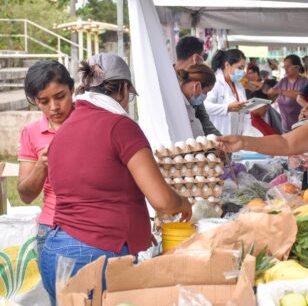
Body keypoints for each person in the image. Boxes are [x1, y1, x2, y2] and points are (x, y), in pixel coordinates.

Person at [39, 54, 192, 305]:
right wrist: (182, 202)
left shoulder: (64, 129)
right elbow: (163, 201)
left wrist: (135, 230)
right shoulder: (121, 127)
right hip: (93, 258)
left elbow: (94, 191)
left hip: (55, 251)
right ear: (122, 89)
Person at [17, 61, 74, 260]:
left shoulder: (91, 123)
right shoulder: (31, 133)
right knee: (58, 291)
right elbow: (25, 195)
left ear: (72, 89)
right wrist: (42, 164)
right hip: (51, 227)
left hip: (93, 226)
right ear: (35, 101)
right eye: (44, 101)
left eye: (60, 97)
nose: (54, 107)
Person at [174, 35, 221, 136]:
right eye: (203, 57)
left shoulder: (195, 88)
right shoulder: (167, 85)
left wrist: (221, 142)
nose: (203, 63)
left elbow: (204, 121)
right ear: (196, 58)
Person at [204, 49, 249, 135]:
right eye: (240, 68)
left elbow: (246, 114)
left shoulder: (239, 86)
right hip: (219, 134)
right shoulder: (215, 83)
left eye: (244, 68)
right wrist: (227, 108)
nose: (243, 72)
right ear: (227, 65)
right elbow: (205, 106)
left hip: (238, 136)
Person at [267, 55, 308, 132]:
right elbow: (271, 95)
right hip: (285, 126)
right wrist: (269, 92)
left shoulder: (304, 82)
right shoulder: (283, 81)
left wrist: (280, 91)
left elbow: (299, 95)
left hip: (301, 126)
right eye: (284, 67)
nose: (285, 69)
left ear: (297, 67)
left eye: (288, 66)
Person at [179, 64, 217, 137]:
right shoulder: (178, 104)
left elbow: (206, 125)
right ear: (197, 86)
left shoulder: (190, 105)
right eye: (206, 91)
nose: (206, 95)